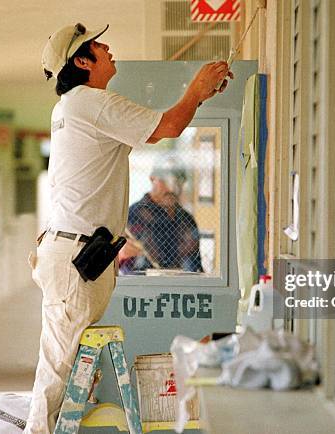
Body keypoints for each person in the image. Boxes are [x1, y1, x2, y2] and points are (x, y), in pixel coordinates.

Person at [25, 22, 232, 433]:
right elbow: (168, 127)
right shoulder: (89, 102)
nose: (107, 47)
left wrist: (199, 96)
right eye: (97, 46)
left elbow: (154, 132)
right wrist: (196, 89)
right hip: (77, 259)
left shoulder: (73, 107)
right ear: (82, 61)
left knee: (61, 367)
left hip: (80, 256)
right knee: (55, 373)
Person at [119, 158, 204, 274]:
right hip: (140, 287)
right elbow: (115, 264)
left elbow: (195, 268)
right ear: (152, 178)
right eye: (166, 181)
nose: (172, 188)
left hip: (179, 288)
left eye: (178, 181)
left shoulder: (186, 220)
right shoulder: (133, 215)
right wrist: (120, 254)